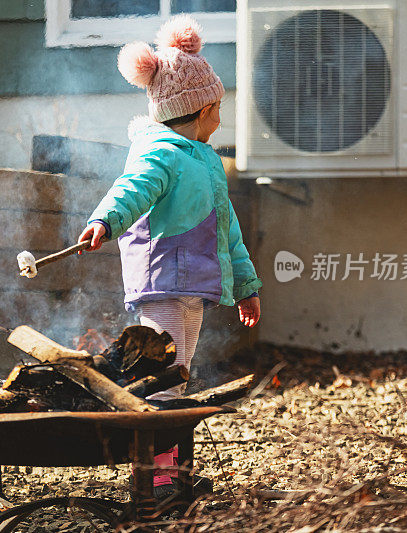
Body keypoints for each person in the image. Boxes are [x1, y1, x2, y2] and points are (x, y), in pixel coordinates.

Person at [78, 15, 262, 499]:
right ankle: (156, 480)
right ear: (199, 109)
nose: (221, 117)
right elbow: (132, 190)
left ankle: (170, 474)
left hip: (192, 288)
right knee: (160, 383)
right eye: (218, 107)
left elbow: (229, 230)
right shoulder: (159, 151)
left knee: (174, 381)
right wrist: (105, 220)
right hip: (163, 284)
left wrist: (246, 286)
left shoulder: (203, 158)